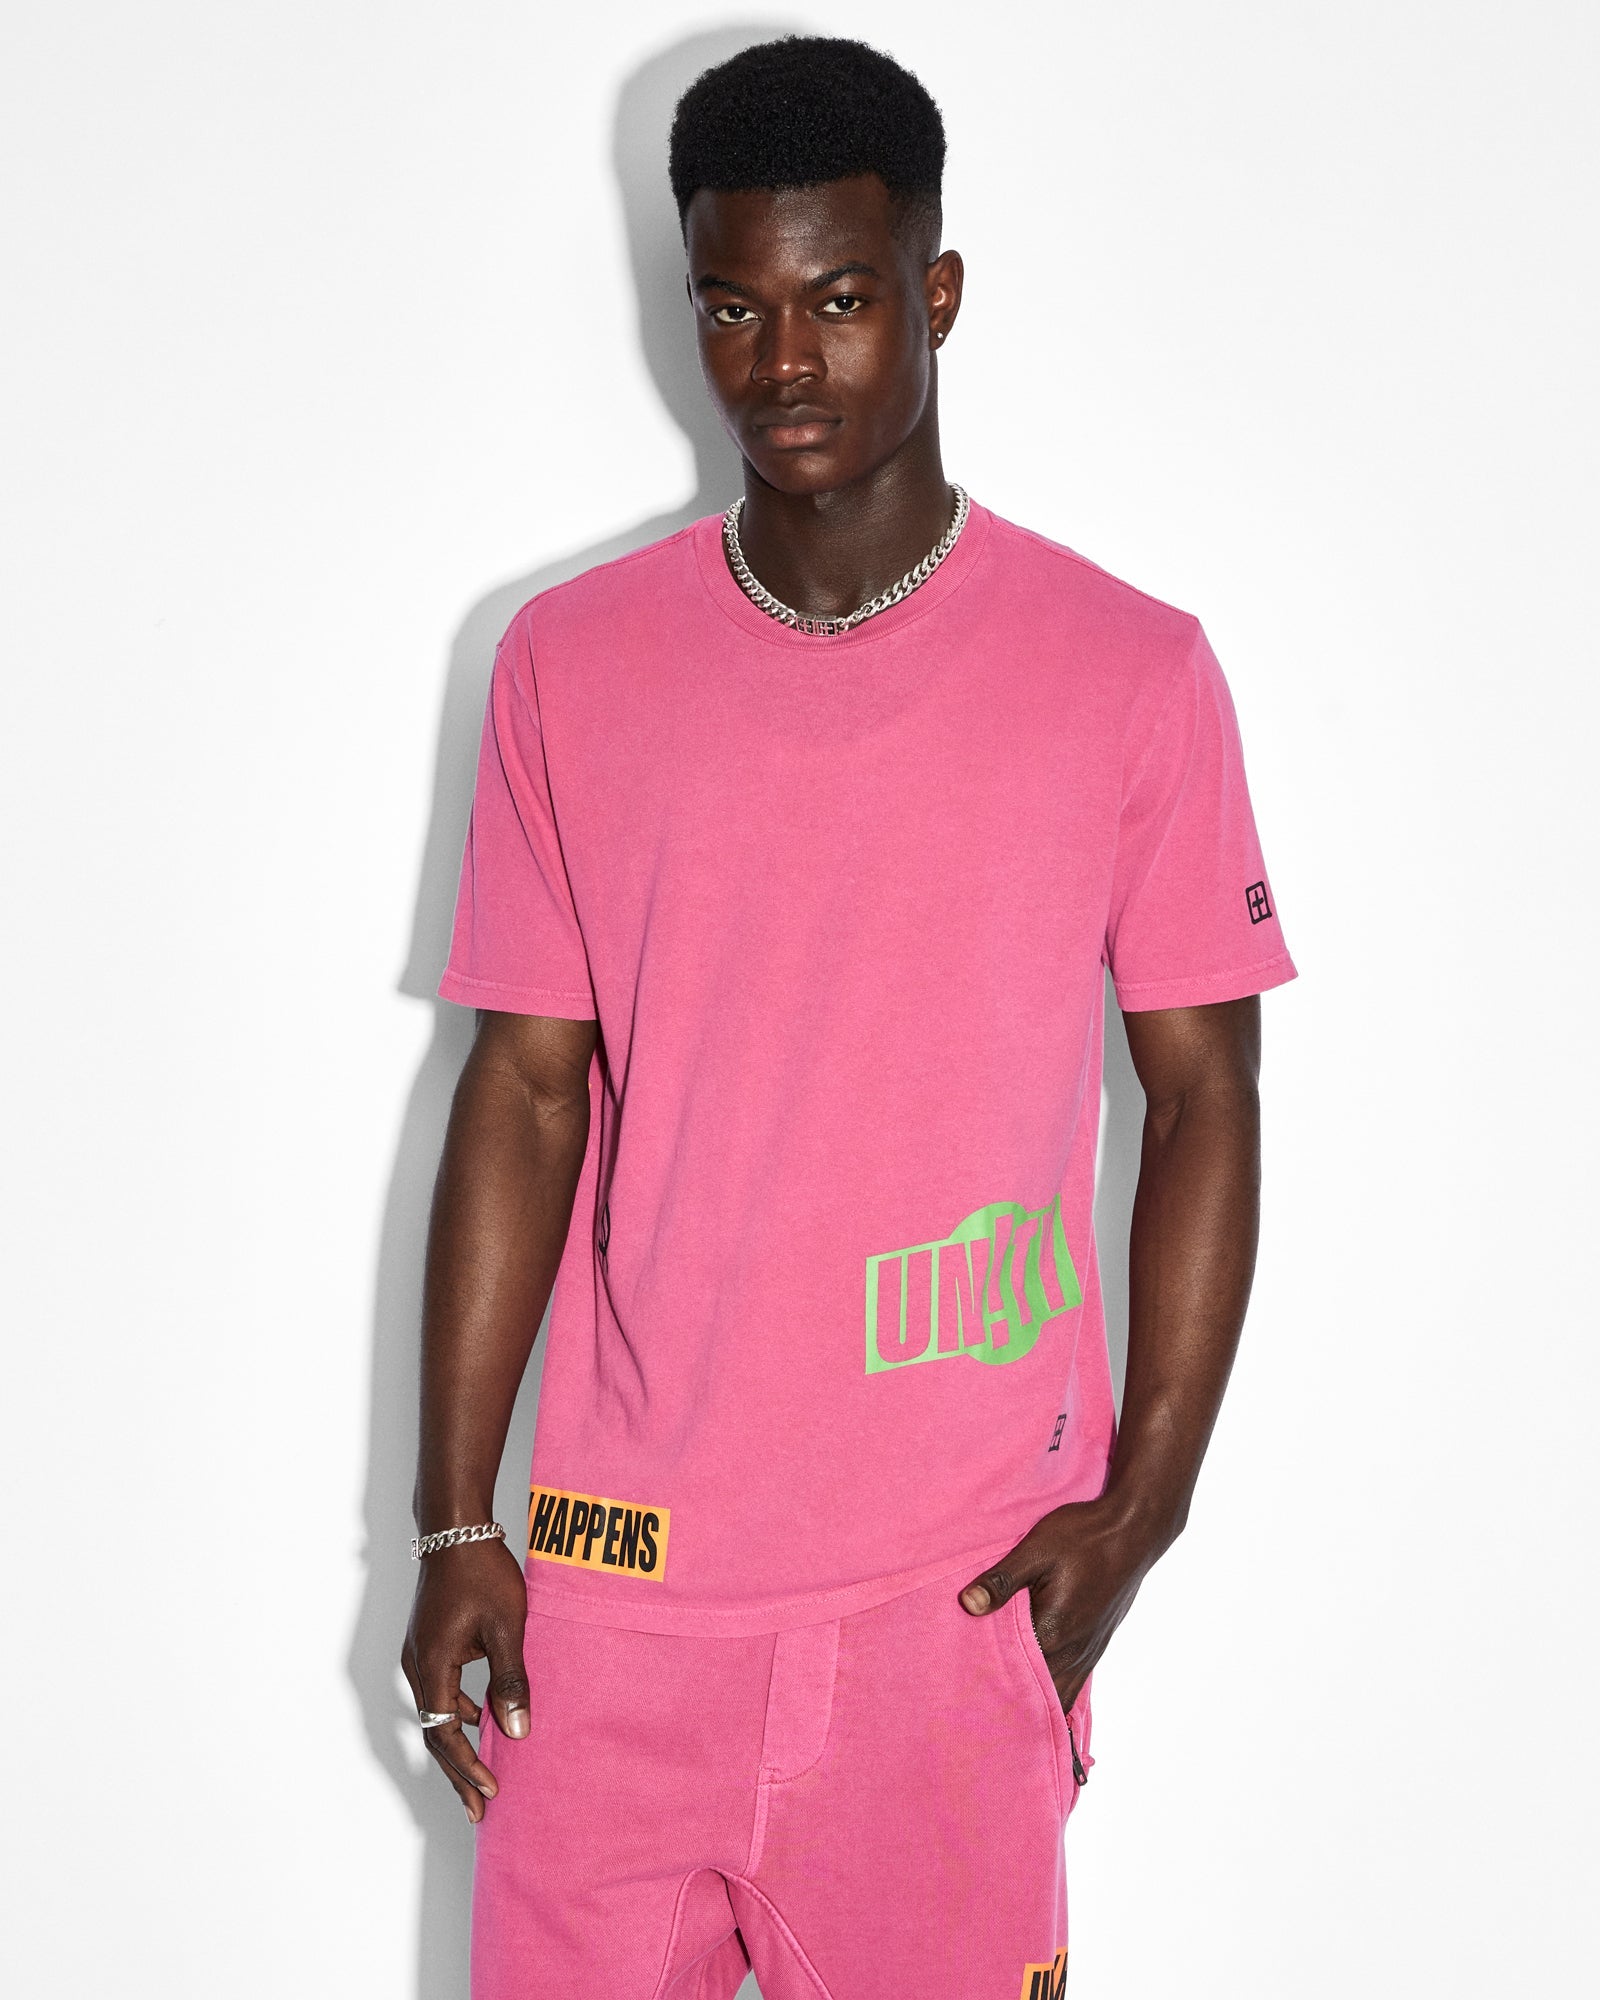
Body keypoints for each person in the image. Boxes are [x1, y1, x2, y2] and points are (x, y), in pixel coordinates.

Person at [401, 33, 1296, 2000]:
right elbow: (523, 1089)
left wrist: (1144, 1506)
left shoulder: (1127, 673)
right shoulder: (566, 664)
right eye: (733, 307)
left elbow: (1205, 1097)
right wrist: (455, 1521)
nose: (783, 364)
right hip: (612, 1593)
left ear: (935, 294)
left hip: (946, 1601)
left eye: (838, 301)